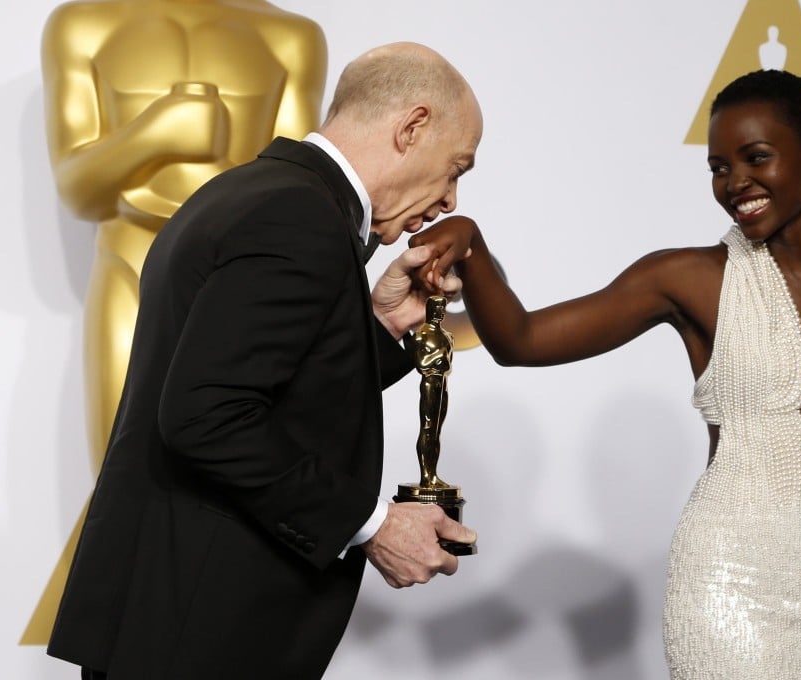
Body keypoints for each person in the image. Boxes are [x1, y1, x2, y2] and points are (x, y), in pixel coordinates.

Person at [413, 70, 801, 679]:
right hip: (730, 592)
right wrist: (473, 246)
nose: (735, 183)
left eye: (757, 158)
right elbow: (522, 340)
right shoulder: (687, 279)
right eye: (719, 168)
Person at [46, 41, 482, 680]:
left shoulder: (251, 192)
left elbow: (263, 384)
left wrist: (384, 323)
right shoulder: (298, 215)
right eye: (456, 168)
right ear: (412, 127)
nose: (448, 199)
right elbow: (206, 415)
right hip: (203, 637)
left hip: (170, 624)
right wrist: (372, 525)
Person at [414, 296, 454, 488]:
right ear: (431, 309)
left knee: (436, 431)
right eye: (438, 308)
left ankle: (433, 474)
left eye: (443, 308)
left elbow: (448, 365)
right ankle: (426, 475)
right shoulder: (422, 334)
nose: (441, 312)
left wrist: (441, 360)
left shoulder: (447, 336)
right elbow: (421, 364)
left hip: (441, 383)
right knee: (428, 428)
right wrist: (439, 356)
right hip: (430, 382)